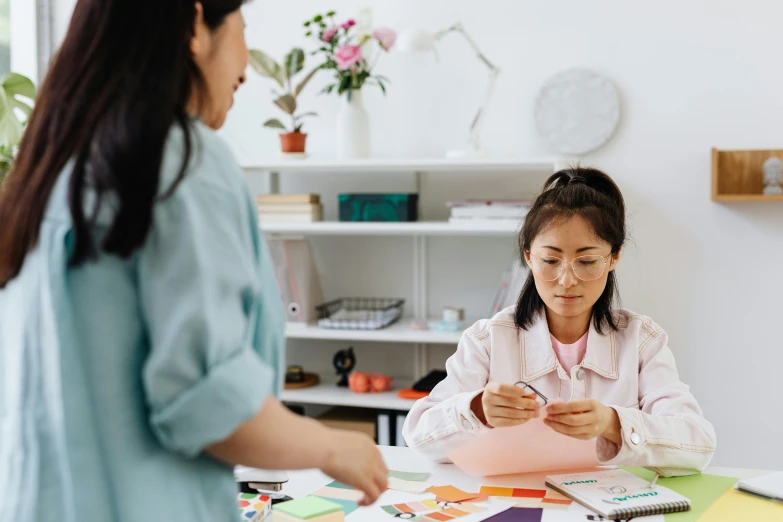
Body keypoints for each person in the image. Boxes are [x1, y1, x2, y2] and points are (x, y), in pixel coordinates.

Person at [0, 2, 387, 522]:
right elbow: (205, 406)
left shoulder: (50, 167)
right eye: (243, 31)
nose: (247, 65)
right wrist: (335, 448)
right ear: (194, 27)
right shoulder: (182, 160)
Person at [403, 167, 716, 476]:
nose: (567, 280)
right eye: (550, 260)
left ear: (614, 257)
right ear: (528, 256)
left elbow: (698, 445)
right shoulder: (487, 340)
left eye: (587, 261)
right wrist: (476, 410)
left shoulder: (642, 341)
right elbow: (418, 436)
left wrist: (611, 423)